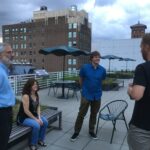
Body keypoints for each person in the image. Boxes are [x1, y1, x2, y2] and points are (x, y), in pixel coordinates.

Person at [70, 51, 106, 141]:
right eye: (95, 57)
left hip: (97, 95)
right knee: (81, 114)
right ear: (91, 58)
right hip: (86, 94)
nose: (98, 58)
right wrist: (82, 89)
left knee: (94, 114)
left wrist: (98, 89)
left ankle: (91, 131)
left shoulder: (102, 70)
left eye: (99, 57)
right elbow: (81, 78)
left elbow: (101, 81)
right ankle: (76, 132)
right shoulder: (85, 68)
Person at [127, 33, 150, 150]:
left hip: (142, 128)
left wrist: (130, 89)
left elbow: (136, 95)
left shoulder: (142, 68)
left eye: (141, 47)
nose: (140, 50)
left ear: (146, 46)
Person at [17, 78, 48, 150]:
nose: (36, 85)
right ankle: (33, 144)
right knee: (36, 125)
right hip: (23, 118)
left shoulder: (36, 94)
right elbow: (26, 111)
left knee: (45, 122)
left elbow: (38, 106)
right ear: (29, 86)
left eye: (36, 84)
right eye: (34, 84)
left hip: (33, 115)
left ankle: (40, 140)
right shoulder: (26, 96)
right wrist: (36, 120)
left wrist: (39, 117)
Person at [0, 43, 15, 150]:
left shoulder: (4, 71)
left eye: (12, 52)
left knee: (4, 142)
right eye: (8, 52)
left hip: (7, 113)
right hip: (2, 114)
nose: (12, 55)